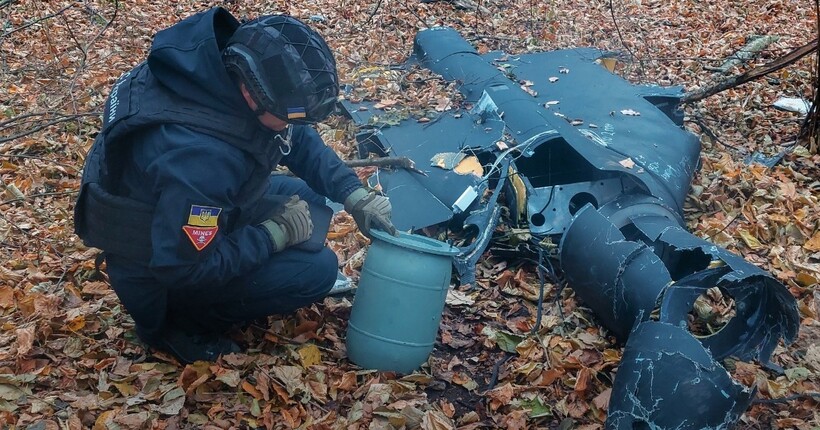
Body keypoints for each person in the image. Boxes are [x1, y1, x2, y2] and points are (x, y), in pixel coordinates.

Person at [73, 7, 397, 364]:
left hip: (168, 215)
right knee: (317, 270)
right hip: (159, 277)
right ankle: (180, 329)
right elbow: (185, 269)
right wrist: (273, 236)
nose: (295, 124)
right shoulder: (200, 160)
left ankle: (255, 272)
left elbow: (295, 138)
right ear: (251, 95)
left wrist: (354, 193)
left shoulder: (211, 67)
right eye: (292, 115)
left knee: (307, 199)